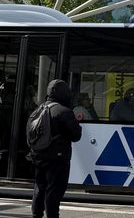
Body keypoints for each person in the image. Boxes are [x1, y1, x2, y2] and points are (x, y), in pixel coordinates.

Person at [29, 80, 82, 218]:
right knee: (54, 191)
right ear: (64, 93)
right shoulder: (64, 111)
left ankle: (36, 214)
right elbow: (76, 135)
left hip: (38, 156)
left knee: (40, 187)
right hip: (57, 160)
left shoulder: (37, 110)